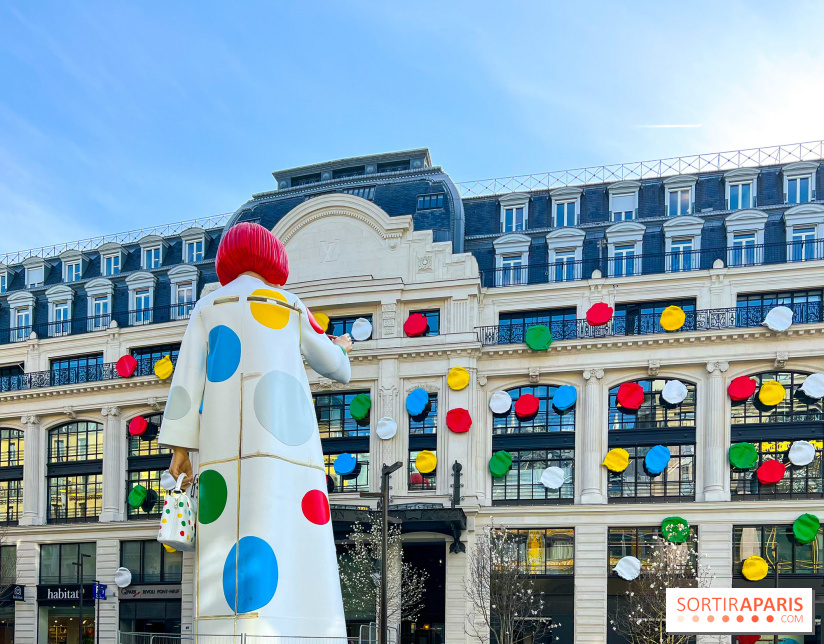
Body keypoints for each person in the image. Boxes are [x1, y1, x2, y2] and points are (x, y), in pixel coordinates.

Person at [159, 222, 352, 637]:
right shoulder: (289, 304)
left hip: (220, 450)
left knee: (224, 547)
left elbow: (186, 380)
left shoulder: (209, 306)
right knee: (295, 535)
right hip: (288, 448)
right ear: (273, 259)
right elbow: (336, 366)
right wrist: (343, 348)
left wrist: (179, 449)